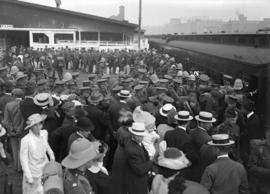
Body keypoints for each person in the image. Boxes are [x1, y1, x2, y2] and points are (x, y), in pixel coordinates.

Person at [20, 113, 55, 194]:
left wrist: (51, 153)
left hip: (45, 168)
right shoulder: (25, 140)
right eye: (35, 125)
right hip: (33, 171)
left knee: (45, 190)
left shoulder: (44, 133)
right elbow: (23, 160)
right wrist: (29, 176)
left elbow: (46, 144)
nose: (39, 127)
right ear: (31, 127)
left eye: (40, 124)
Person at [125, 122, 153, 194]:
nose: (141, 138)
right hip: (137, 182)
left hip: (142, 178)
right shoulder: (132, 150)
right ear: (132, 134)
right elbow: (140, 170)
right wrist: (152, 161)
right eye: (138, 136)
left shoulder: (137, 141)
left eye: (142, 136)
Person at [247, 129, 270, 194]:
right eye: (269, 136)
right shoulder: (258, 149)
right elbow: (250, 167)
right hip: (262, 188)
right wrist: (267, 172)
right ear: (266, 137)